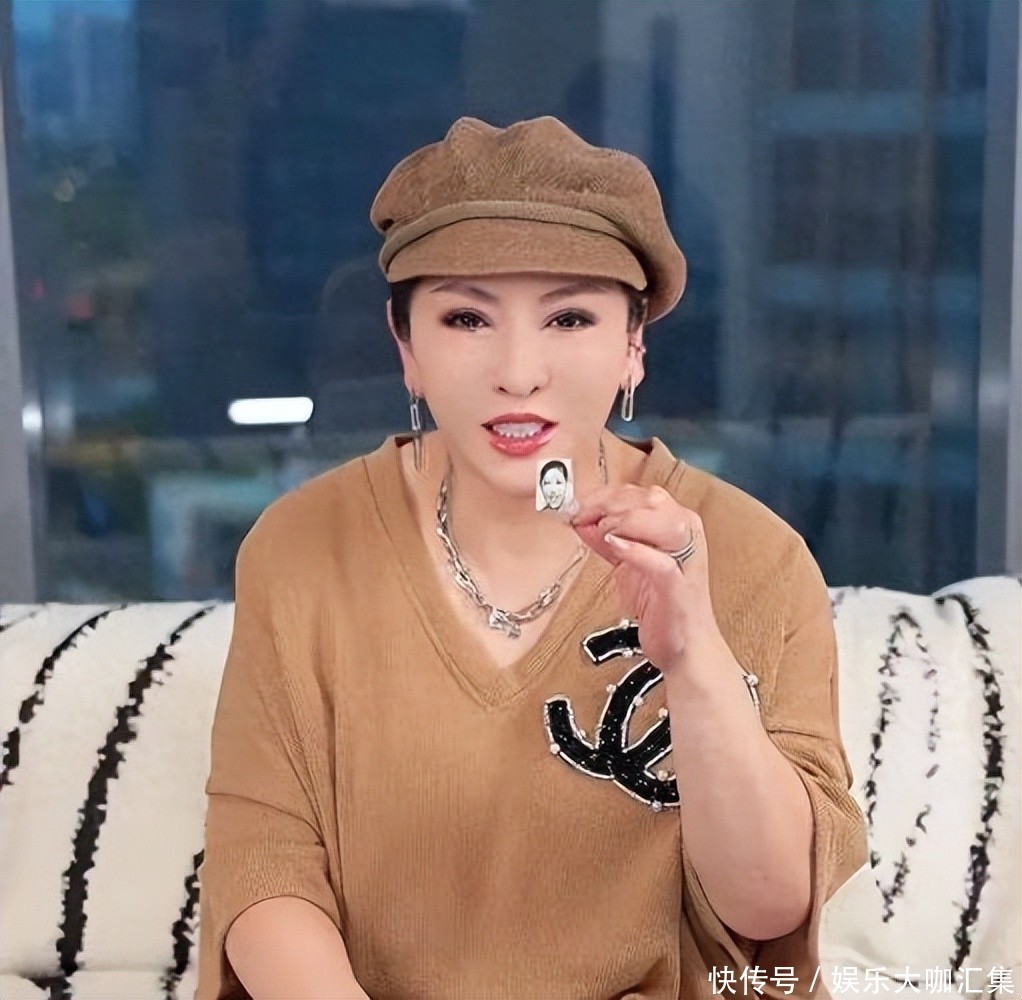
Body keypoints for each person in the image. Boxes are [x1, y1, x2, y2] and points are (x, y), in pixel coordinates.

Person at [195, 116, 867, 1000]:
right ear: (406, 347)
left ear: (633, 346)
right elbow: (263, 867)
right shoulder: (302, 548)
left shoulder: (754, 555)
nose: (518, 372)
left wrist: (695, 656)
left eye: (570, 317)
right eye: (467, 317)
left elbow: (769, 907)